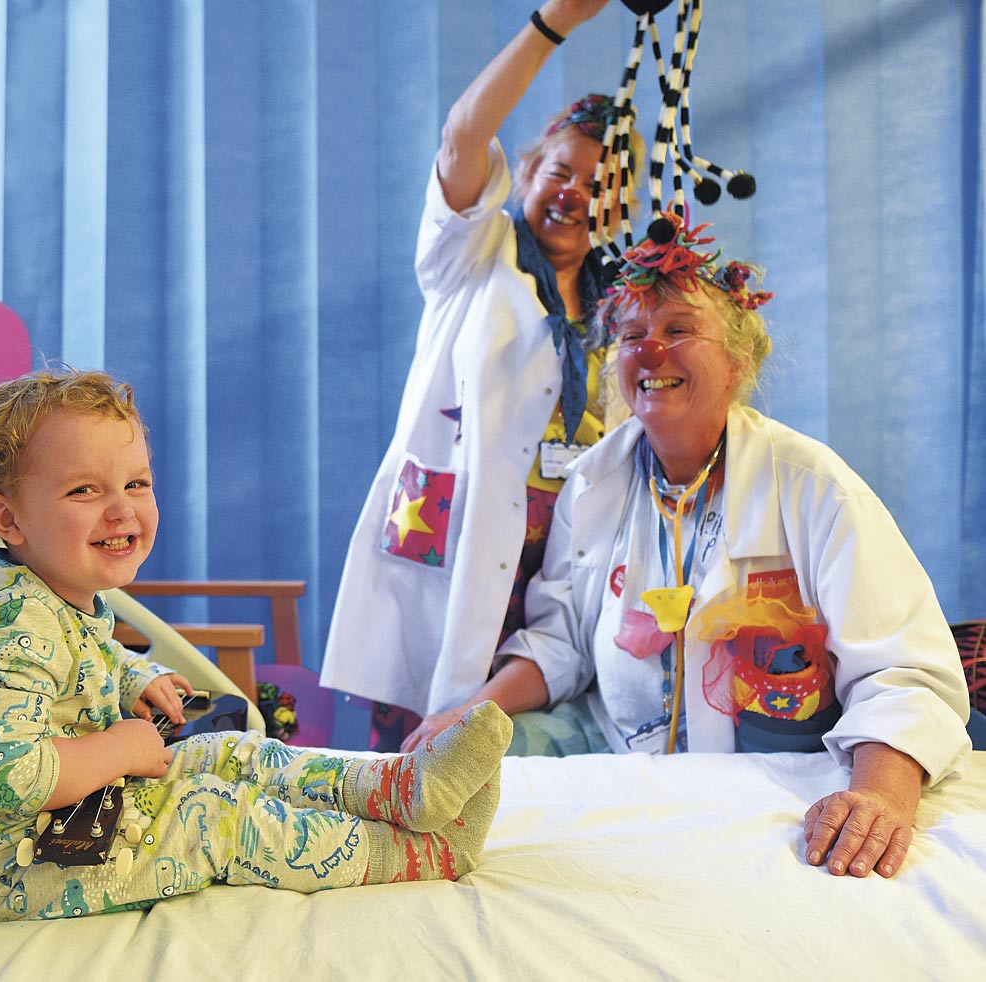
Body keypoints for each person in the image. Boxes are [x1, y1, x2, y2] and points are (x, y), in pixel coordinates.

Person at [400, 213, 972, 878]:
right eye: (634, 335)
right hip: (610, 746)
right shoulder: (591, 484)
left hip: (759, 779)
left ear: (738, 362)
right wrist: (467, 714)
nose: (651, 352)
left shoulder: (816, 490)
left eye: (678, 330)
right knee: (453, 774)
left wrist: (879, 793)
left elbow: (905, 674)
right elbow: (559, 645)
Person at [0, 368, 512, 921]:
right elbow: (4, 775)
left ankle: (401, 789)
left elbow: (84, 657)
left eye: (136, 482)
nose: (120, 510)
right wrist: (118, 748)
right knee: (212, 818)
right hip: (11, 857)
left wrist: (135, 678)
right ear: (7, 520)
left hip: (71, 801)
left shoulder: (54, 593)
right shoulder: (10, 628)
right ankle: (416, 853)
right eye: (84, 491)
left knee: (232, 753)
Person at [322, 1, 640, 743]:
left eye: (598, 186)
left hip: (551, 560)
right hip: (452, 543)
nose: (575, 194)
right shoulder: (472, 251)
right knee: (414, 745)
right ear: (527, 171)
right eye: (561, 172)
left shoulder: (616, 305)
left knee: (503, 748)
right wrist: (554, 22)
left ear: (619, 207)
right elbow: (464, 133)